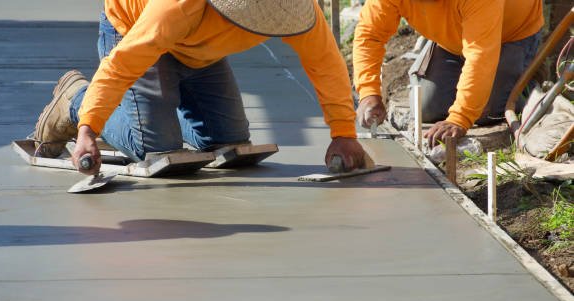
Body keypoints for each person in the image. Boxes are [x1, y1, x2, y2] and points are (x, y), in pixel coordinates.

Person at [34, 0, 367, 175]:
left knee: (230, 144)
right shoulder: (178, 6)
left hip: (200, 49)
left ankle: (161, 106)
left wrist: (343, 133)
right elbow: (121, 65)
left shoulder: (291, 7)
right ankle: (75, 97)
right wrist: (88, 128)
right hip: (133, 29)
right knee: (156, 147)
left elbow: (324, 62)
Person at [353, 0, 544, 147]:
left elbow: (480, 55)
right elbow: (370, 36)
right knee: (426, 109)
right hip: (454, 40)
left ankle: (527, 87)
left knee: (486, 112)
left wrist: (460, 118)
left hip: (512, 35)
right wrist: (368, 93)